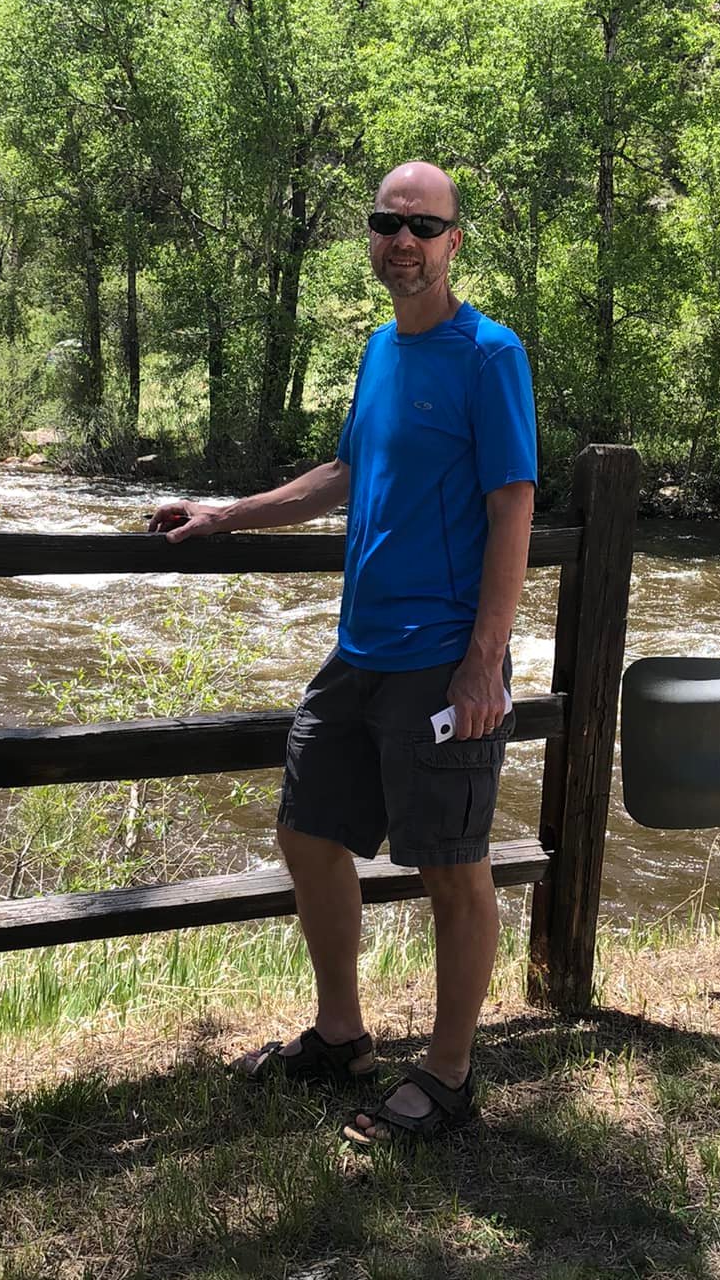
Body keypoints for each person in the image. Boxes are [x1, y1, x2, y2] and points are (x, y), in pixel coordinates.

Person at [147, 160, 537, 1142]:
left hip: (440, 659)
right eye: (386, 224)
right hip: (357, 651)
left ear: (455, 241)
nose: (402, 241)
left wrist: (485, 656)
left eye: (423, 226)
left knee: (452, 864)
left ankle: (447, 1076)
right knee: (308, 831)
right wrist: (227, 513)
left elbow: (512, 505)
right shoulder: (379, 351)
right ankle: (341, 1033)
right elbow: (344, 471)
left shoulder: (491, 355)